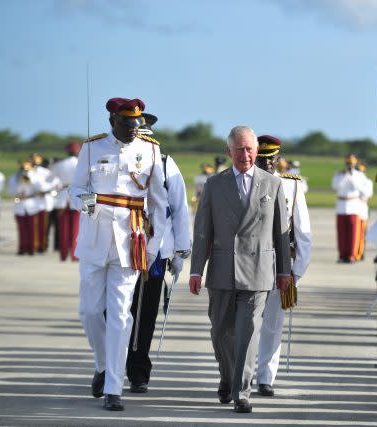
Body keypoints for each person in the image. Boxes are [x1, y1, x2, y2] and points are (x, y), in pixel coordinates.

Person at [69, 97, 167, 411]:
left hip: (131, 238)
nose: (132, 131)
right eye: (127, 125)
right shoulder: (92, 148)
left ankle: (114, 386)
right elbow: (74, 188)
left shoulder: (150, 149)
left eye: (136, 125)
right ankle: (102, 365)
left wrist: (155, 245)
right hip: (95, 236)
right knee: (89, 311)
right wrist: (86, 204)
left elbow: (160, 202)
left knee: (121, 315)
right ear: (113, 120)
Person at [189, 125, 291, 414]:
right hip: (222, 270)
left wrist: (284, 271)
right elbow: (202, 232)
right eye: (239, 149)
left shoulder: (272, 184)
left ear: (256, 151)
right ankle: (227, 377)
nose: (245, 155)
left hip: (258, 270)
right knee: (220, 332)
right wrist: (196, 269)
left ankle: (242, 392)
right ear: (228, 151)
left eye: (249, 149)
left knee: (247, 332)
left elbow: (280, 231)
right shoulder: (214, 184)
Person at [126, 113, 192, 393]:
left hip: (156, 250)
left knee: (145, 313)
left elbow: (179, 208)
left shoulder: (165, 162)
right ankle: (111, 366)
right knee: (116, 312)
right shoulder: (121, 161)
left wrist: (180, 250)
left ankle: (138, 371)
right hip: (121, 247)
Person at [254, 134, 311, 397]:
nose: (267, 163)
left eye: (272, 158)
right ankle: (243, 373)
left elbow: (303, 233)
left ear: (280, 159)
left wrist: (296, 271)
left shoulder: (293, 186)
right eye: (262, 158)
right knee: (245, 321)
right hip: (250, 259)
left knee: (273, 323)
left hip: (280, 261)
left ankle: (266, 377)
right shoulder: (244, 181)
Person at [331, 154, 373, 263]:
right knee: (341, 233)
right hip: (341, 205)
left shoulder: (359, 175)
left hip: (353, 205)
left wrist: (352, 176)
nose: (349, 166)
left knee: (353, 233)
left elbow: (361, 189)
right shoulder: (339, 174)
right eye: (348, 164)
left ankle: (352, 255)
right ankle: (342, 255)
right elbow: (335, 186)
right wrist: (345, 175)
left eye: (351, 164)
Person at [7, 160, 49, 255]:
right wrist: (18, 184)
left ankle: (32, 248)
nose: (24, 171)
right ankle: (22, 248)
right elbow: (10, 191)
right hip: (20, 204)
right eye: (23, 168)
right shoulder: (15, 177)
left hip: (32, 204)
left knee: (32, 228)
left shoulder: (35, 177)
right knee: (21, 229)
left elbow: (42, 188)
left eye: (26, 169)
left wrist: (30, 181)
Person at [51, 142, 81, 261]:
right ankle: (74, 254)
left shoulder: (60, 164)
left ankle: (63, 254)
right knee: (77, 229)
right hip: (77, 195)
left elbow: (50, 178)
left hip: (63, 196)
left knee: (63, 228)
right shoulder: (82, 162)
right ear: (78, 151)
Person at [30, 153, 58, 253]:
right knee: (33, 225)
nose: (34, 161)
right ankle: (33, 245)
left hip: (44, 200)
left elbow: (55, 182)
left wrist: (44, 190)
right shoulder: (28, 172)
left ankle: (43, 245)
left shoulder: (46, 172)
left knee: (44, 226)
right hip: (32, 201)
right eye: (32, 159)